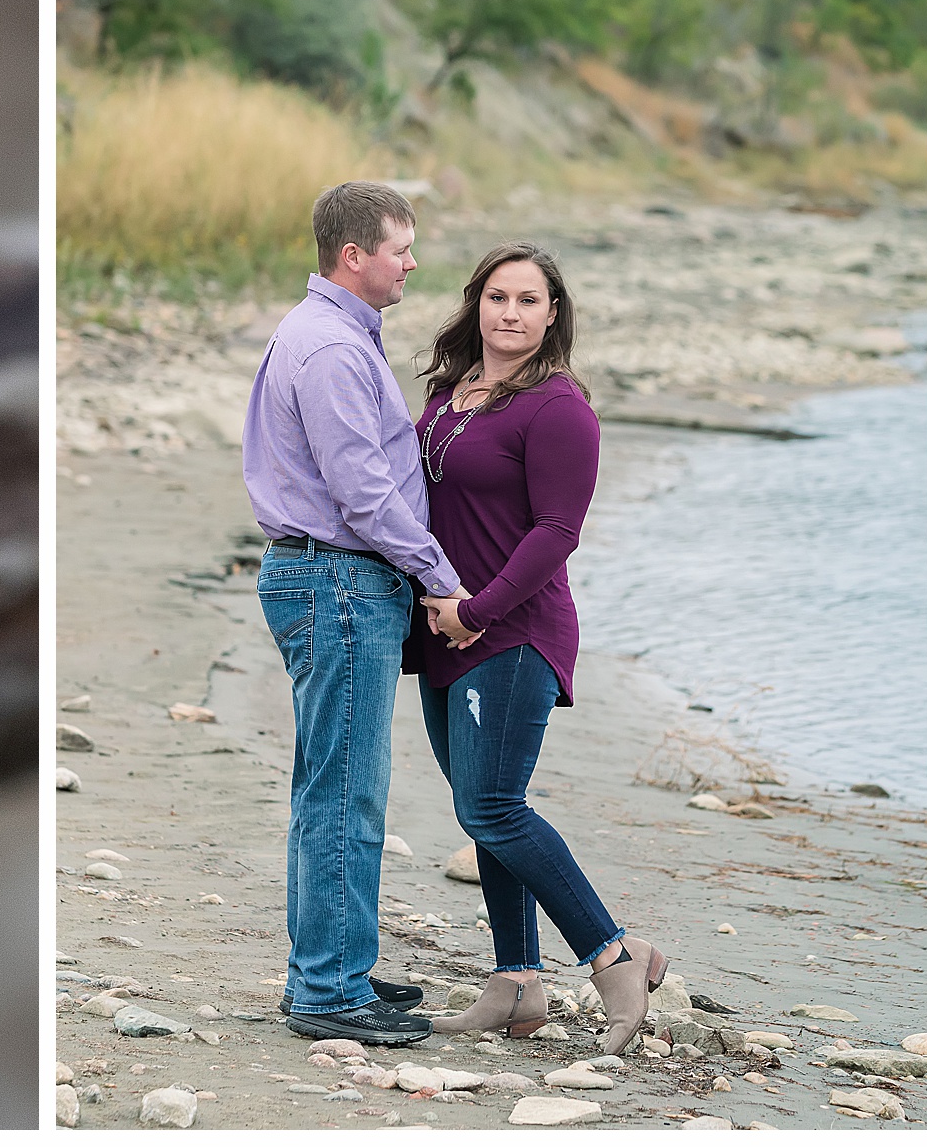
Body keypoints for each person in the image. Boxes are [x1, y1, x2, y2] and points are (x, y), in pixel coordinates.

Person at [411, 241, 668, 1055]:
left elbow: (559, 531)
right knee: (484, 812)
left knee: (491, 806)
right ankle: (518, 984)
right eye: (497, 298)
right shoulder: (453, 393)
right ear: (476, 305)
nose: (511, 313)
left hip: (511, 632)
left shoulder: (559, 408)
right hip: (452, 633)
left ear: (553, 313)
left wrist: (479, 611)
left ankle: (614, 953)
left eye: (528, 300)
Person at [241, 181, 470, 1046]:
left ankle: (333, 967)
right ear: (354, 257)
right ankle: (330, 992)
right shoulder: (332, 350)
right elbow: (364, 494)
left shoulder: (329, 335)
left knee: (330, 786)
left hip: (328, 580)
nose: (413, 264)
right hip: (337, 581)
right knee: (345, 792)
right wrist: (441, 580)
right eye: (400, 248)